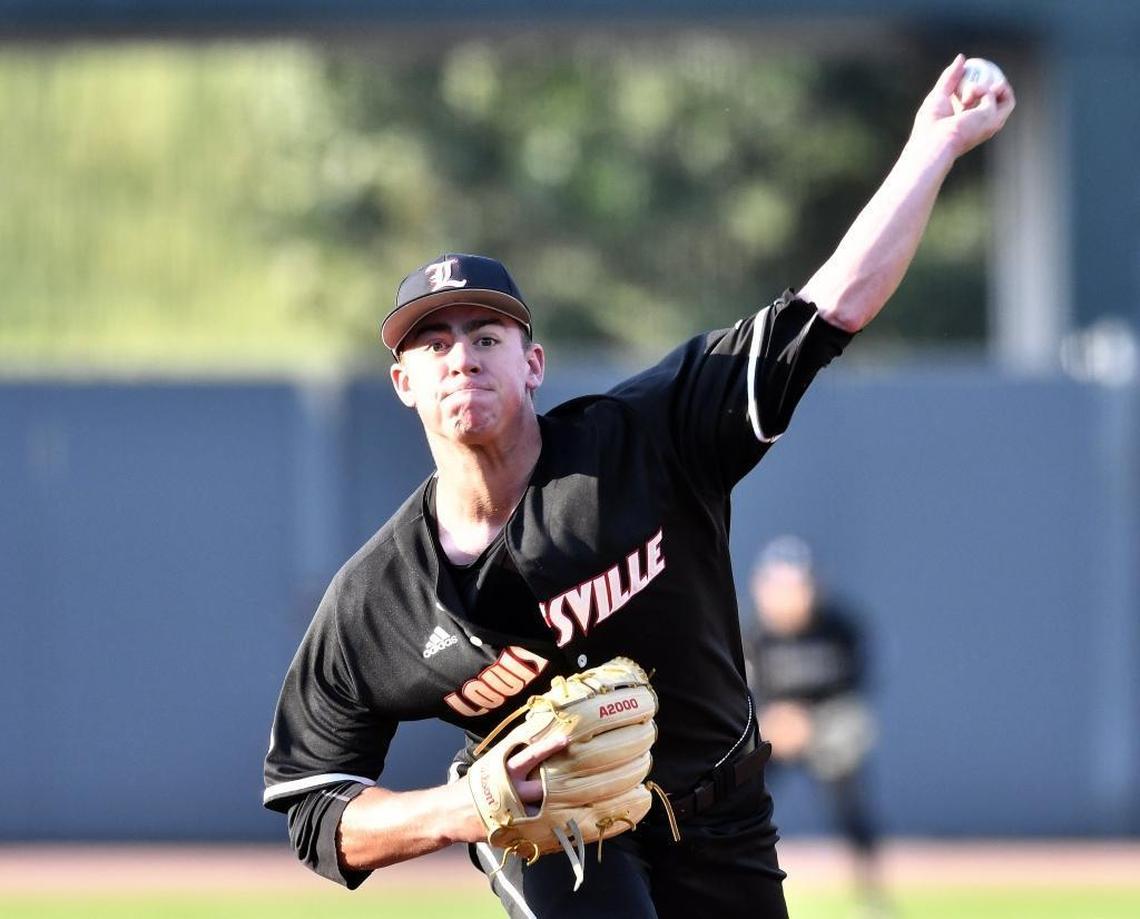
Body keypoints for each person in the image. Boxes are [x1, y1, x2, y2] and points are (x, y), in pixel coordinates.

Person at [263, 56, 1014, 918]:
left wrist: (934, 146)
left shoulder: (647, 438)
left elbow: (829, 307)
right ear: (403, 384)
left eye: (485, 333)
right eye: (431, 343)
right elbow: (313, 803)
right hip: (556, 838)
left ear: (533, 362)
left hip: (722, 811)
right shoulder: (380, 600)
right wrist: (461, 809)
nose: (460, 354)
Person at [744, 536, 885, 910]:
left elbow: (856, 693)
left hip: (826, 731)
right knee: (738, 791)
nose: (789, 598)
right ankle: (733, 879)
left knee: (848, 789)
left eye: (797, 587)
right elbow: (739, 698)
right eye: (780, 587)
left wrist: (813, 722)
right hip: (771, 734)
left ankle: (870, 894)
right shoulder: (750, 636)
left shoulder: (839, 628)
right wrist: (774, 722)